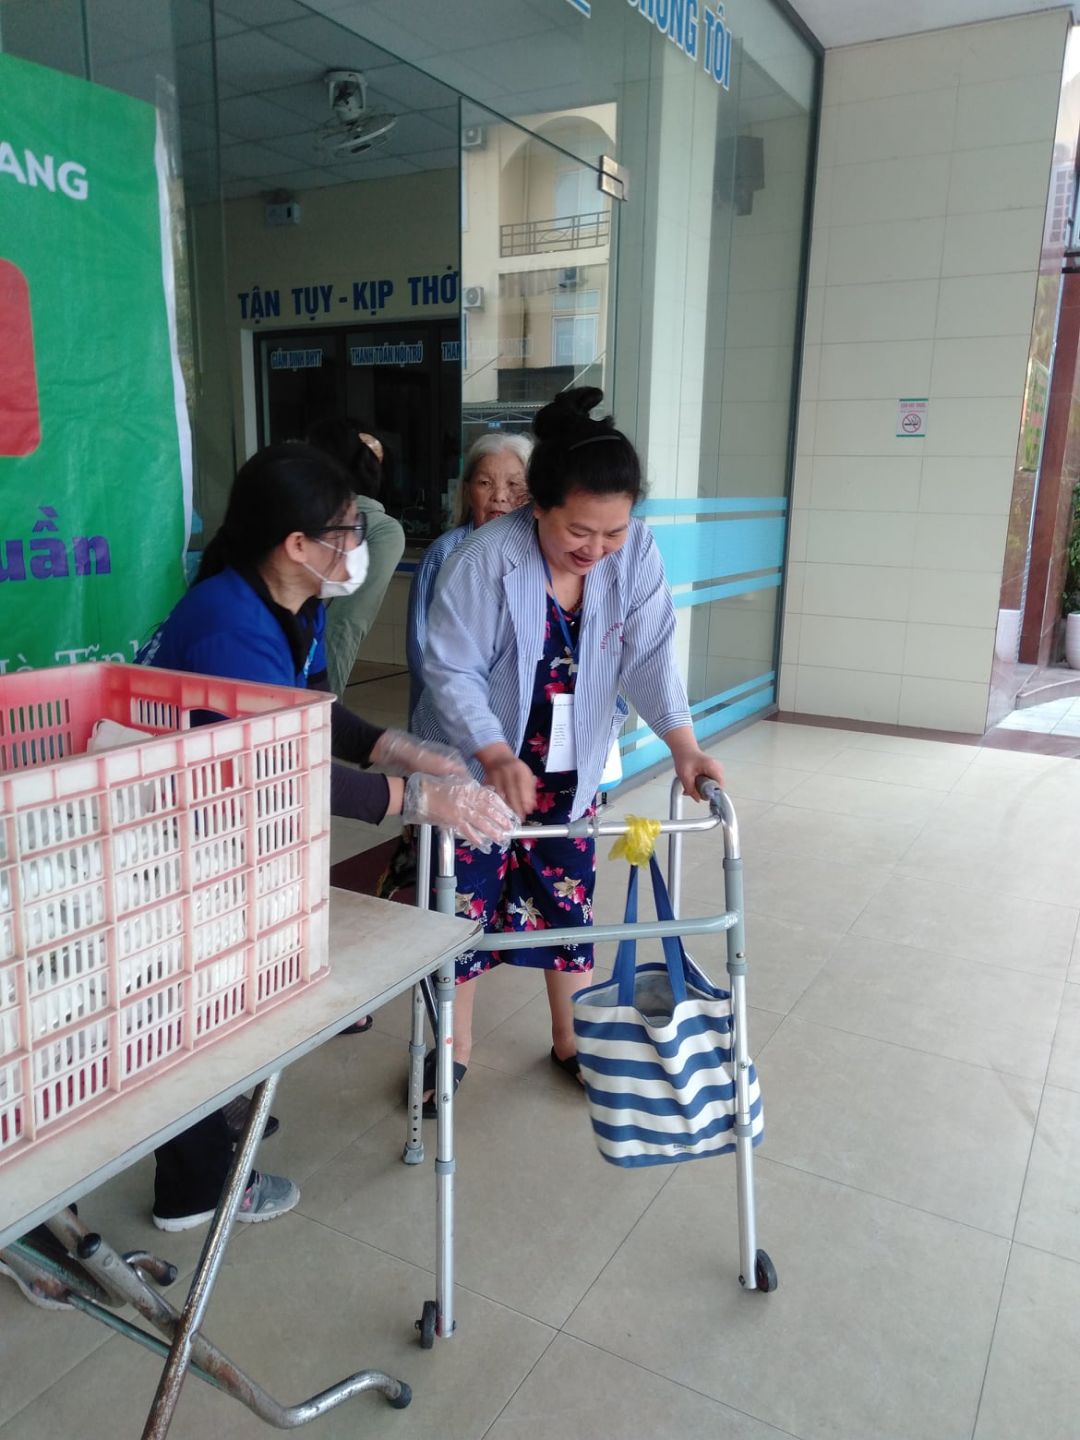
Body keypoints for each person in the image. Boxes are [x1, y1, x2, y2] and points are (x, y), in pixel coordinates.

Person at [141, 442, 514, 1230]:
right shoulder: (228, 625)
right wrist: (412, 797)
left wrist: (394, 747)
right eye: (346, 530)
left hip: (224, 828)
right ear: (297, 544)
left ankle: (216, 1118)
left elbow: (312, 715)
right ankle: (195, 1187)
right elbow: (279, 770)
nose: (357, 545)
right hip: (172, 835)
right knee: (190, 1002)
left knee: (226, 989)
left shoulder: (292, 600)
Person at [413, 388, 725, 1110]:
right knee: (461, 911)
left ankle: (572, 1039)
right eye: (579, 531)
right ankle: (453, 1049)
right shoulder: (485, 559)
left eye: (614, 530)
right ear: (538, 507)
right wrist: (494, 754)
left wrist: (683, 745)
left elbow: (650, 652)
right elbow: (450, 669)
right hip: (474, 767)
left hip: (568, 765)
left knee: (566, 902)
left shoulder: (633, 552)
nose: (597, 549)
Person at [405, 432, 533, 727]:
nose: (499, 495)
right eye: (485, 483)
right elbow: (421, 648)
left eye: (514, 484)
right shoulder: (445, 553)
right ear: (467, 491)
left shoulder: (540, 555)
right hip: (451, 720)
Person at [304, 417, 405, 698]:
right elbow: (346, 625)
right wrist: (326, 702)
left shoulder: (376, 529)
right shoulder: (383, 531)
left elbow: (343, 625)